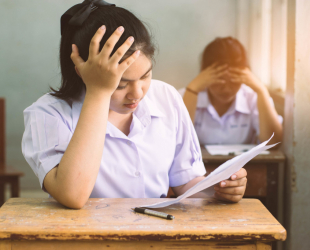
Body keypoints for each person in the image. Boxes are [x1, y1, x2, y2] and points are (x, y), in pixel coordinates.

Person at [21, 1, 247, 209]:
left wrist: (219, 188)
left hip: (157, 232)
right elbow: (72, 195)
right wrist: (99, 92)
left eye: (145, 76)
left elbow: (185, 182)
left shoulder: (166, 97)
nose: (137, 94)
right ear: (82, 72)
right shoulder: (46, 114)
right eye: (120, 84)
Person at [180, 37, 283, 145]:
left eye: (234, 82)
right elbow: (177, 141)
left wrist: (261, 90)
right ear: (205, 75)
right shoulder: (186, 95)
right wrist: (192, 89)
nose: (227, 89)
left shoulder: (253, 97)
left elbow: (272, 143)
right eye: (219, 81)